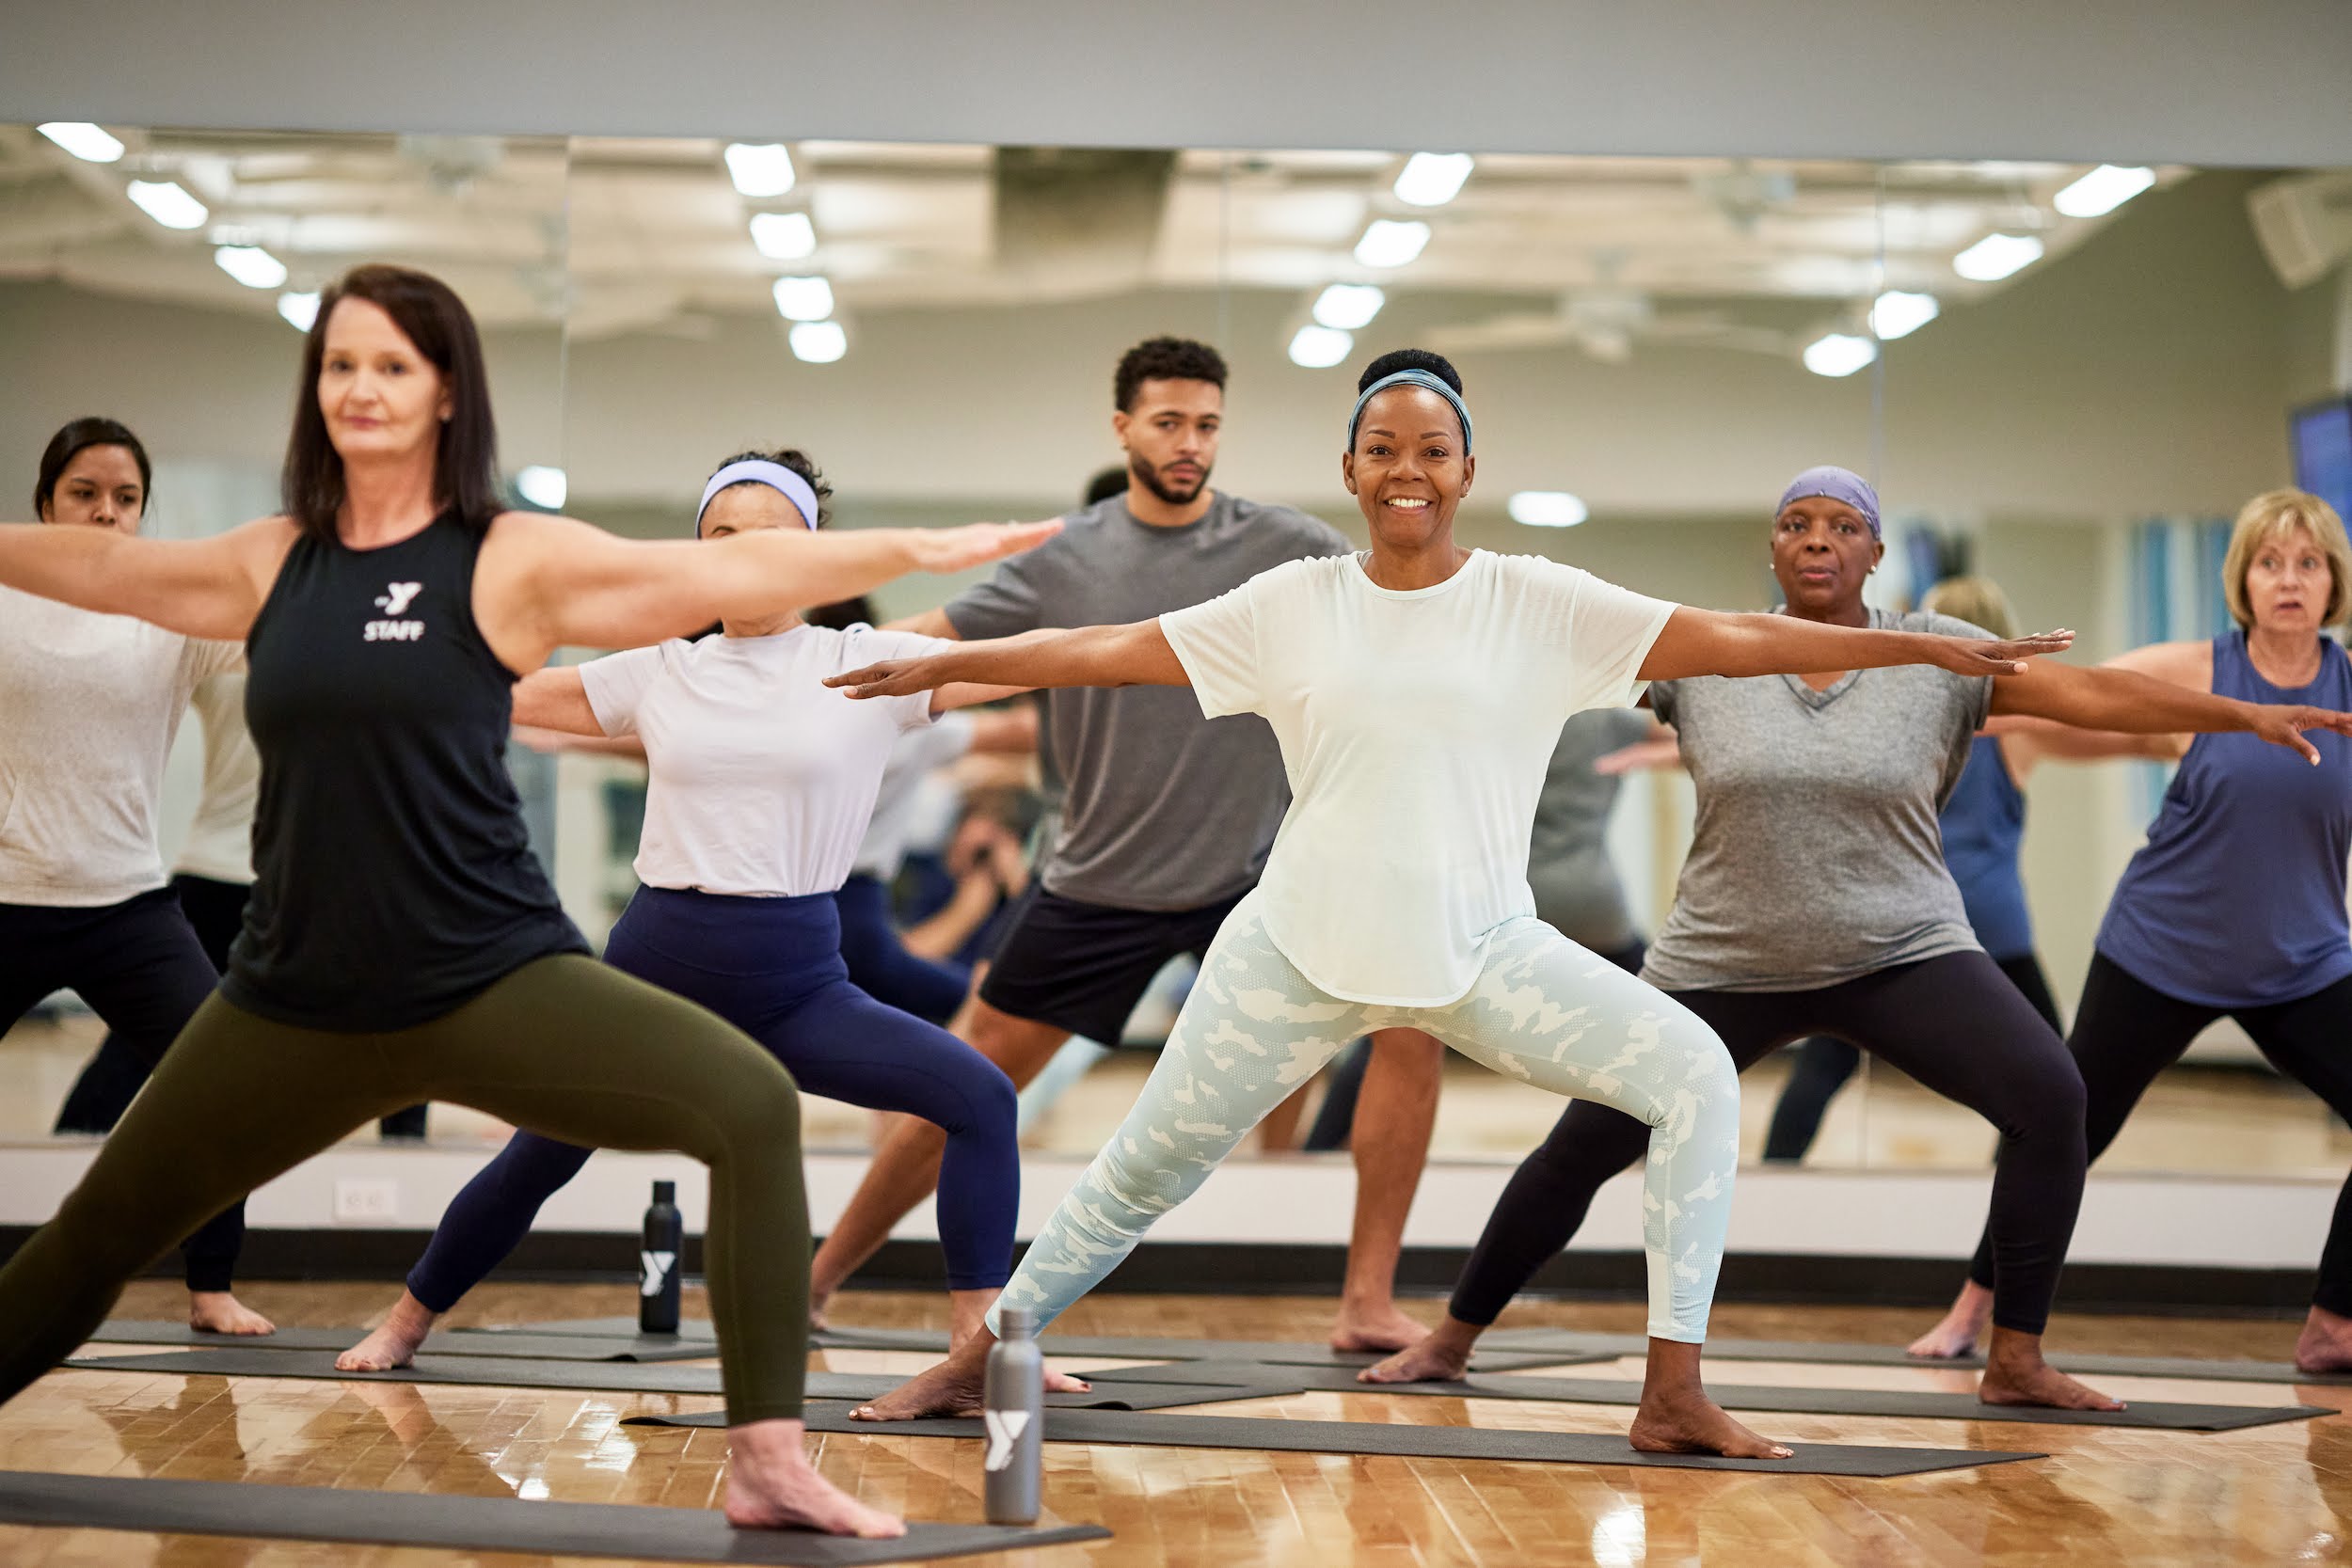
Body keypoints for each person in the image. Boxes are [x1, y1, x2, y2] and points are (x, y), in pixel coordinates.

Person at [818, 351, 2092, 1454]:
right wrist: (953, 660)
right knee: (1145, 1163)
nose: (1406, 468)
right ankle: (985, 1350)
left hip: (1480, 953)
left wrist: (1915, 645)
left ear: (1466, 468)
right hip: (1293, 950)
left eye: (1432, 448)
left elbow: (1739, 639)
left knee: (1694, 1073)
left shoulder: (1540, 603)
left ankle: (1673, 1391)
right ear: (1353, 468)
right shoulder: (1293, 603)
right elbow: (1105, 652)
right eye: (1382, 449)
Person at [0, 263, 1055, 1537]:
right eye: (341, 362)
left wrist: (936, 553)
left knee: (783, 1105)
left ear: (447, 390)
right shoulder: (281, 562)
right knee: (92, 1237)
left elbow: (1033, 654)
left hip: (535, 966)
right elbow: (101, 572)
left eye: (393, 363)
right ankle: (409, 1313)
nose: (363, 387)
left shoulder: (543, 569)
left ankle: (811, 1428)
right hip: (326, 976)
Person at [1359, 464, 2352, 1413]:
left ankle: (2015, 1354)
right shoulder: (1712, 648)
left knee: (2053, 1098)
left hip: (1901, 951)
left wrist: (2241, 716)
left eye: (1843, 527)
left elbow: (2089, 694)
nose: (1818, 541)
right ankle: (1451, 1335)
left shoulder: (1937, 653)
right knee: (1582, 1146)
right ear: (1773, 546)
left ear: (1875, 551)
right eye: (1798, 524)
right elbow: (1543, 672)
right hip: (1722, 960)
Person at [806, 336, 1451, 1353]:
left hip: (1257, 878)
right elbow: (920, 643)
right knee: (966, 1080)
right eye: (1166, 422)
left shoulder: (1283, 542)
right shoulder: (1068, 561)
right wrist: (775, 681)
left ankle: (1366, 1299)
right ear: (1123, 428)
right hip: (1102, 881)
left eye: (1205, 424)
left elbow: (1404, 598)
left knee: (1410, 1030)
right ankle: (820, 1274)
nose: (1188, 444)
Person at [335, 448, 1030, 1369]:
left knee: (978, 1095)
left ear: (816, 554)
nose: (743, 558)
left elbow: (1041, 664)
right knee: (538, 1155)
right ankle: (405, 1320)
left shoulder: (870, 665)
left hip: (799, 986)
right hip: (655, 977)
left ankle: (973, 1346)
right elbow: (488, 698)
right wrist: (374, 635)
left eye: (771, 539)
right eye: (720, 538)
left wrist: (1172, 634)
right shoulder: (663, 669)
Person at [1912, 490, 2352, 1371]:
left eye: (2308, 563)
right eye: (2271, 562)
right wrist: (1934, 709)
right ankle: (1976, 1303)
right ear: (2244, 580)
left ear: (2334, 579)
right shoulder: (2194, 670)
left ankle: (2334, 1322)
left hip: (2302, 959)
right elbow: (2063, 704)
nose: (2290, 580)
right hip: (2161, 951)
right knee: (2067, 1122)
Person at [1744, 575, 2176, 1162]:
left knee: (1828, 1058)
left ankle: (1776, 1174)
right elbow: (2125, 735)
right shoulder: (2017, 731)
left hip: (1896, 914)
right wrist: (2179, 739)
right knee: (2051, 1067)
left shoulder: (1902, 726)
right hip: (1992, 928)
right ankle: (2013, 1181)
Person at [1, 417, 271, 1337]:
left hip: (128, 905)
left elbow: (276, 640)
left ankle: (211, 1284)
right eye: (86, 492)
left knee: (223, 1087)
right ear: (46, 502)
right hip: (10, 895)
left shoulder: (169, 617)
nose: (106, 512)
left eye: (125, 498)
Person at [53, 668, 433, 1144]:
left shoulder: (236, 640)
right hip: (250, 878)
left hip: (303, 880)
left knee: (402, 1032)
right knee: (400, 1035)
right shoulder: (349, 648)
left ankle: (69, 1151)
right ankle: (68, 1159)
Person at [1303, 705, 1655, 1150]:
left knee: (1400, 1029)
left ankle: (1317, 1146)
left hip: (1498, 901)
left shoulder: (1489, 712)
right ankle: (1646, 1143)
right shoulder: (1609, 721)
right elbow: (1686, 731)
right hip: (1592, 904)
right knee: (1655, 1024)